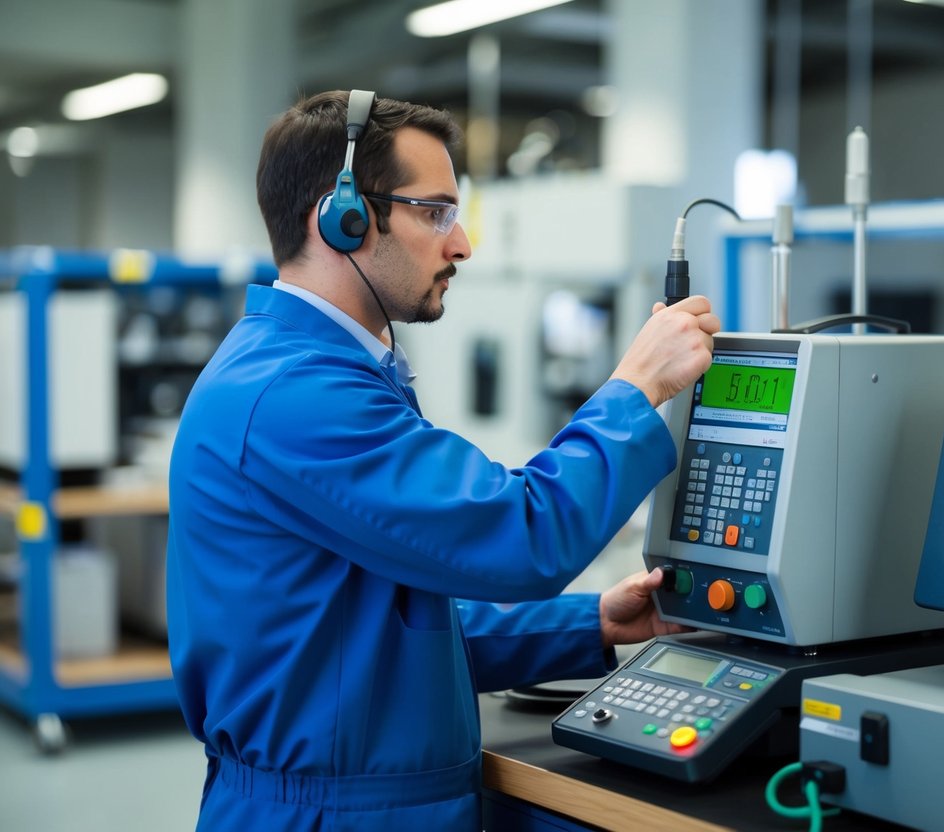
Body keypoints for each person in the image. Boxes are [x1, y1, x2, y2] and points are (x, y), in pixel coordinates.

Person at [166, 89, 719, 831]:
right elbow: (520, 536)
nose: (460, 245)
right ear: (341, 217)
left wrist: (592, 624)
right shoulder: (295, 392)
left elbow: (386, 636)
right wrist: (636, 386)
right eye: (434, 212)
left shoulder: (321, 371)